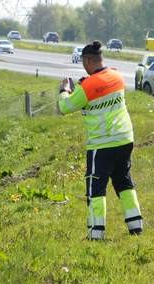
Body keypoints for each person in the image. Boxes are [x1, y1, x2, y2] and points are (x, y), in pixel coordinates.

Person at [58, 41, 142, 240]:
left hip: (102, 144)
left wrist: (65, 90)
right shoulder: (117, 76)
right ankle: (136, 227)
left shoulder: (87, 87)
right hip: (124, 139)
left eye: (83, 62)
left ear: (88, 60)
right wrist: (85, 84)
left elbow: (65, 107)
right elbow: (100, 88)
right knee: (124, 183)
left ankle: (96, 234)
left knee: (95, 188)